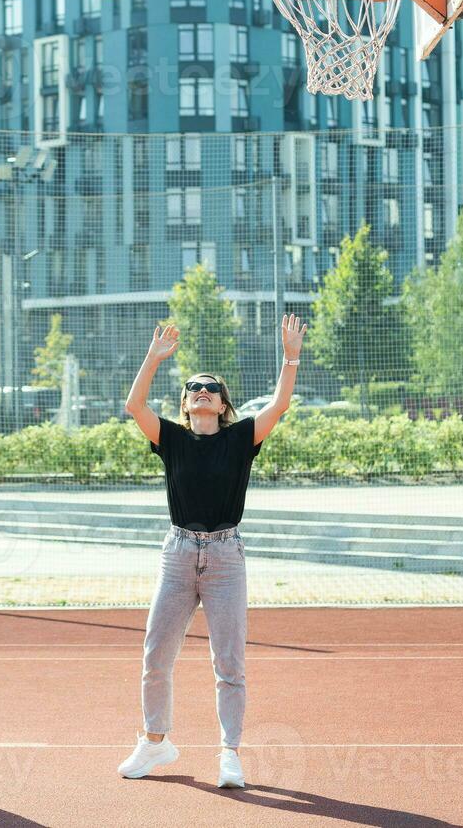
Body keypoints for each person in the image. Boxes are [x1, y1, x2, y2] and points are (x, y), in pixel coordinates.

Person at [116, 314, 306, 789]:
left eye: (210, 388)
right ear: (185, 404)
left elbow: (281, 403)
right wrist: (154, 357)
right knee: (156, 654)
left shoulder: (242, 439)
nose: (201, 391)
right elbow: (133, 403)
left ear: (223, 405)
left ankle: (229, 754)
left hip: (224, 556)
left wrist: (290, 355)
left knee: (229, 662)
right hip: (178, 553)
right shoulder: (172, 439)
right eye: (193, 388)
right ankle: (156, 742)